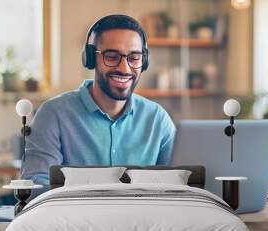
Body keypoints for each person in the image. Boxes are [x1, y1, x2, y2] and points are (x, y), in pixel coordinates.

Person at [21, 14, 176, 185]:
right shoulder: (53, 114)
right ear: (90, 58)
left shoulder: (157, 119)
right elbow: (36, 186)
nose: (124, 68)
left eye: (133, 58)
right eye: (111, 56)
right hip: (74, 212)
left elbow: (181, 183)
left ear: (144, 61)